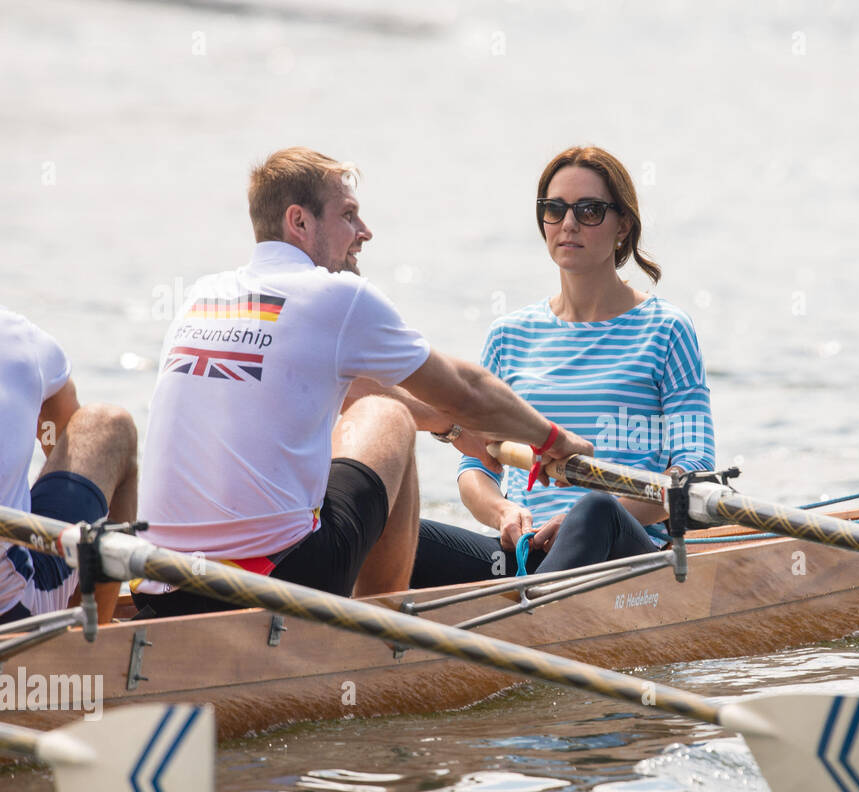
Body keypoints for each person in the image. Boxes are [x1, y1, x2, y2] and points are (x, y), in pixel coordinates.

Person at [131, 147, 591, 619]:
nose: (364, 232)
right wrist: (551, 438)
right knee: (387, 418)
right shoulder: (335, 296)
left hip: (158, 584)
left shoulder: (204, 295)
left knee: (374, 410)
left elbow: (352, 386)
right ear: (300, 221)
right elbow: (465, 388)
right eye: (349, 215)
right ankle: (380, 632)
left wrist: (449, 427)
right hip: (272, 586)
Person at [410, 145, 715, 587]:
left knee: (595, 510)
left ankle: (519, 630)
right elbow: (477, 466)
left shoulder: (666, 330)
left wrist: (574, 522)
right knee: (392, 528)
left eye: (589, 211)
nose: (568, 223)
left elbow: (691, 470)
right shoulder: (508, 336)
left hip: (625, 553)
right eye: (554, 209)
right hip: (524, 553)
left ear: (623, 225)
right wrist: (502, 511)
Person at [0, 307, 139, 626]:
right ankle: (92, 648)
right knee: (109, 426)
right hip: (12, 612)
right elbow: (65, 435)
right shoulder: (18, 338)